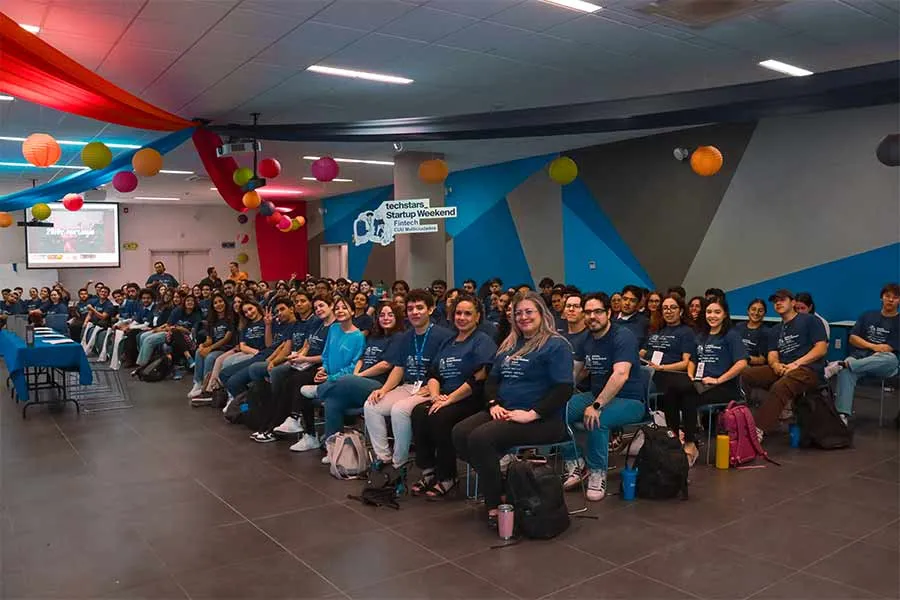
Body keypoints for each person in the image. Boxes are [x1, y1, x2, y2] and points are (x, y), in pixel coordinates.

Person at [453, 291, 573, 527]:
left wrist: (532, 414)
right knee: (459, 432)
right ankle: (503, 484)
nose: (523, 317)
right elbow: (492, 381)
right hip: (505, 412)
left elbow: (563, 389)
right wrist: (493, 404)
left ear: (541, 314)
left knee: (480, 438)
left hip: (543, 420)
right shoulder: (509, 345)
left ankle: (495, 503)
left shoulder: (556, 345)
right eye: (518, 313)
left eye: (529, 312)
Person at [409, 294, 497, 497]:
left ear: (477, 317)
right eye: (458, 313)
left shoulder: (482, 341)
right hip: (444, 396)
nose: (462, 317)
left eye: (468, 313)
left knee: (441, 417)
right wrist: (435, 396)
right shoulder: (448, 341)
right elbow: (433, 373)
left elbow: (480, 376)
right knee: (419, 413)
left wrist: (449, 399)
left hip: (470, 398)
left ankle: (447, 476)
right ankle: (428, 470)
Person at [562, 293, 646, 500]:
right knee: (558, 409)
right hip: (596, 395)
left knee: (597, 420)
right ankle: (576, 462)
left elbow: (621, 374)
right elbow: (575, 372)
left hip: (631, 400)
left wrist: (597, 405)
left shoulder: (623, 336)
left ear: (609, 313)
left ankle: (597, 472)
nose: (592, 316)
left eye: (598, 311)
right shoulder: (585, 339)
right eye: (588, 312)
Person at [364, 289, 454, 472]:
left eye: (420, 308)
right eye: (411, 308)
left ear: (430, 309)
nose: (414, 312)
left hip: (432, 387)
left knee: (400, 410)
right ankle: (383, 457)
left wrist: (433, 388)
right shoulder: (405, 336)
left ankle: (400, 462)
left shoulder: (444, 335)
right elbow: (399, 367)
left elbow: (446, 369)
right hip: (408, 386)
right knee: (371, 405)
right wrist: (384, 389)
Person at [664, 298, 747, 464]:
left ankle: (690, 444)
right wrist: (690, 376)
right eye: (709, 312)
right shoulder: (701, 336)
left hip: (724, 386)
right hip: (701, 383)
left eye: (717, 312)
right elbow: (693, 360)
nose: (712, 316)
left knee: (689, 397)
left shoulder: (731, 336)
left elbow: (742, 363)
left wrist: (718, 379)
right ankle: (674, 437)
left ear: (725, 315)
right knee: (670, 392)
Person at [278, 295, 365, 450]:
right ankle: (310, 435)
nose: (340, 311)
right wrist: (323, 368)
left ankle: (331, 442)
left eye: (344, 308)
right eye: (337, 308)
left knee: (309, 390)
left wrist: (331, 377)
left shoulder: (358, 336)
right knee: (302, 390)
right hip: (327, 375)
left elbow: (353, 366)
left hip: (342, 381)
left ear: (352, 311)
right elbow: (326, 355)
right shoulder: (333, 328)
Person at [316, 302, 406, 446]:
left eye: (390, 315)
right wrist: (357, 373)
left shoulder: (398, 337)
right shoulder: (375, 337)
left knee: (345, 380)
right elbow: (361, 358)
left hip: (379, 386)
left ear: (397, 318)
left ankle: (318, 391)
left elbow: (386, 365)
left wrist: (359, 376)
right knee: (333, 401)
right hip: (359, 382)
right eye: (382, 315)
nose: (386, 318)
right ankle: (332, 446)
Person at [743, 289, 828, 437]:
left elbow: (821, 349)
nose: (778, 303)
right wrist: (775, 365)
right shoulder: (775, 329)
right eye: (775, 301)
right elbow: (772, 354)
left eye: (782, 300)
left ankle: (757, 431)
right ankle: (739, 418)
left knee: (781, 386)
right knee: (744, 373)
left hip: (808, 370)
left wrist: (795, 364)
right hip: (783, 368)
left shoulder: (809, 320)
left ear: (793, 302)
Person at [261, 295, 335, 443]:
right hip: (308, 363)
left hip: (323, 367)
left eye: (321, 306)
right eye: (316, 308)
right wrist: (298, 357)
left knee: (297, 381)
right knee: (285, 381)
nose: (319, 310)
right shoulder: (318, 324)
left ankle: (294, 420)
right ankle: (275, 426)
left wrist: (304, 359)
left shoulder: (336, 328)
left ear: (331, 305)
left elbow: (328, 356)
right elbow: (307, 345)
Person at [832, 283, 899, 421]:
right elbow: (853, 338)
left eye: (895, 297)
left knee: (890, 358)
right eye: (887, 296)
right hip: (862, 359)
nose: (891, 300)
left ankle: (846, 364)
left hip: (883, 365)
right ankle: (842, 417)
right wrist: (873, 347)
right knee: (846, 372)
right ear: (882, 298)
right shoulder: (868, 315)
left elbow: (888, 348)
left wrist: (871, 350)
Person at [120, 289, 156, 369]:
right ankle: (128, 356)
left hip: (152, 328)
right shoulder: (142, 308)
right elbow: (136, 320)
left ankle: (132, 359)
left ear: (152, 299)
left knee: (132, 334)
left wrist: (130, 327)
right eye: (143, 298)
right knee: (128, 332)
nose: (145, 300)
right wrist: (128, 327)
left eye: (148, 298)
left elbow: (146, 324)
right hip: (143, 328)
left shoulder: (154, 308)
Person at [166, 294, 203, 368]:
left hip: (188, 338)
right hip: (172, 336)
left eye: (192, 301)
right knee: (176, 332)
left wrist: (183, 329)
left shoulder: (197, 314)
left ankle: (178, 366)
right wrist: (177, 328)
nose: (190, 302)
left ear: (195, 303)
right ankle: (188, 357)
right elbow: (168, 326)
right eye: (188, 300)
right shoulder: (177, 311)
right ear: (184, 302)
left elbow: (193, 332)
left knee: (175, 343)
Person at [735, 299, 769, 366]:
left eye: (760, 311)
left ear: (764, 313)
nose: (756, 313)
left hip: (750, 367)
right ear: (748, 311)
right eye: (753, 309)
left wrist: (743, 359)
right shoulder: (738, 327)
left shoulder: (766, 332)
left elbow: (761, 360)